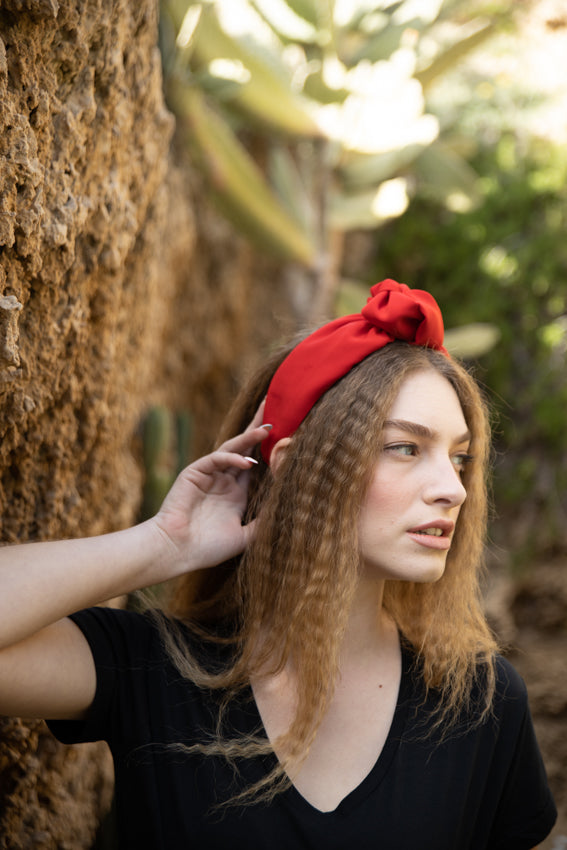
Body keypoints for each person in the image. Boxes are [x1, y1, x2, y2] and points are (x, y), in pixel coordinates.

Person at [0, 279, 557, 849]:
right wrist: (164, 545)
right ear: (294, 468)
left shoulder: (481, 704)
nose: (453, 489)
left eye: (460, 458)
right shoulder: (154, 667)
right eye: (406, 448)